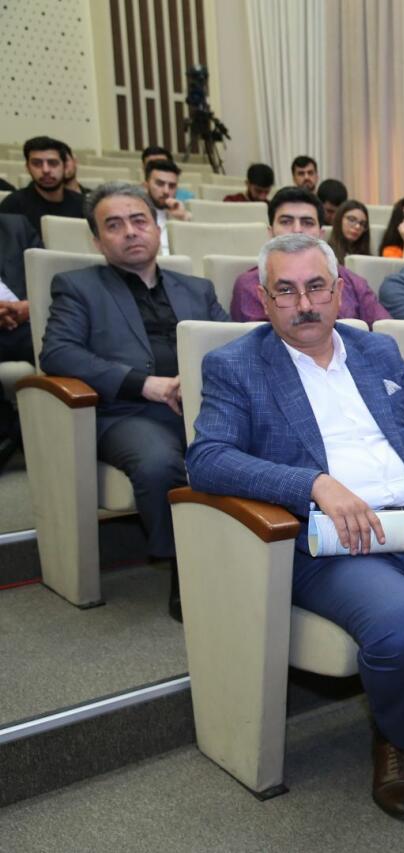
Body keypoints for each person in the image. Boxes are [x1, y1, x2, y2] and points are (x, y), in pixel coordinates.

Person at [187, 233, 404, 821]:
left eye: (316, 287)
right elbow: (208, 459)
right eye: (286, 291)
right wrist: (312, 483)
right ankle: (395, 738)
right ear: (264, 299)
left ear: (339, 290)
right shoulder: (236, 365)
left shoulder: (377, 350)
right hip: (331, 543)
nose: (304, 303)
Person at [40, 182, 229, 621]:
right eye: (114, 225)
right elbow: (58, 352)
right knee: (159, 463)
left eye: (139, 220)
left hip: (200, 406)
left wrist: (195, 379)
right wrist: (145, 384)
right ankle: (185, 569)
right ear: (96, 240)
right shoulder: (77, 287)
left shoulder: (196, 288)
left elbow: (229, 342)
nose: (130, 231)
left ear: (157, 228)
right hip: (128, 413)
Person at [229, 188, 389, 327]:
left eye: (307, 222)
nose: (297, 230)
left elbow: (386, 328)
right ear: (270, 233)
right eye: (286, 221)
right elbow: (261, 344)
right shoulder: (249, 285)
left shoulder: (352, 282)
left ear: (321, 234)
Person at [0, 213, 40, 466]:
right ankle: (8, 432)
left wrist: (30, 305)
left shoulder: (16, 226)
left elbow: (49, 276)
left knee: (63, 347)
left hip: (26, 322)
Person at [0, 136, 86, 233]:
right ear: (27, 168)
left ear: (65, 166)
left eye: (53, 163)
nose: (45, 170)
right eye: (37, 163)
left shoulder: (83, 205)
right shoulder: (13, 205)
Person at [142, 159, 190, 255]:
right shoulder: (134, 216)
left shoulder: (184, 216)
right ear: (146, 185)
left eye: (172, 186)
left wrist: (183, 221)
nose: (166, 191)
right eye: (160, 184)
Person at [326, 199, 370, 265]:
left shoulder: (368, 258)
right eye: (352, 220)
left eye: (362, 223)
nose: (357, 226)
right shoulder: (326, 253)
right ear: (339, 219)